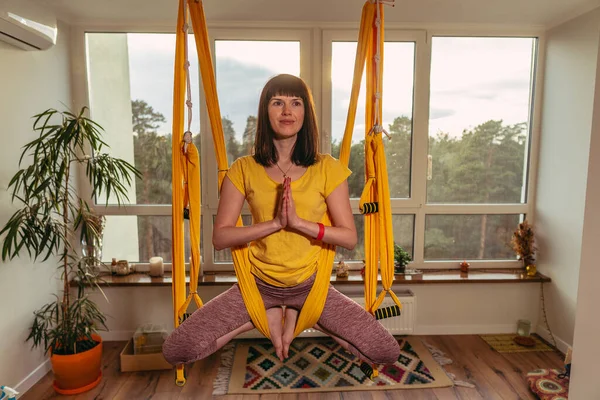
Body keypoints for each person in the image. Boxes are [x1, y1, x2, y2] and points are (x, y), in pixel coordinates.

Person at [163, 74, 400, 367]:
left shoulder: (327, 168)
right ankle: (263, 316)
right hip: (257, 286)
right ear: (265, 112)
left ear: (305, 114)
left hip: (312, 287)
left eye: (295, 103)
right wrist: (275, 223)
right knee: (177, 349)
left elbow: (349, 238)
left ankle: (302, 316)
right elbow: (221, 237)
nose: (287, 111)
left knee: (385, 351)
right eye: (278, 102)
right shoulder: (243, 169)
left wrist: (299, 223)